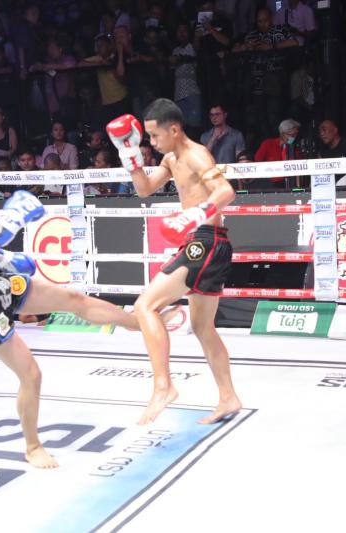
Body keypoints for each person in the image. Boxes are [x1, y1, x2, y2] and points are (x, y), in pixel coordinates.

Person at [0, 137, 176, 466]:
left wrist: (4, 257)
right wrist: (8, 224)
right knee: (31, 375)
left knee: (72, 297)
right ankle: (33, 447)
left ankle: (137, 322)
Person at [106, 98, 242, 425]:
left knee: (145, 306)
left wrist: (194, 215)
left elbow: (226, 191)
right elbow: (144, 189)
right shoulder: (170, 158)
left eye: (155, 135)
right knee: (203, 327)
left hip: (205, 241)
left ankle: (163, 386)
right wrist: (130, 157)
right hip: (208, 243)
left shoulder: (196, 154)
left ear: (175, 129)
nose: (151, 142)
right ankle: (229, 397)